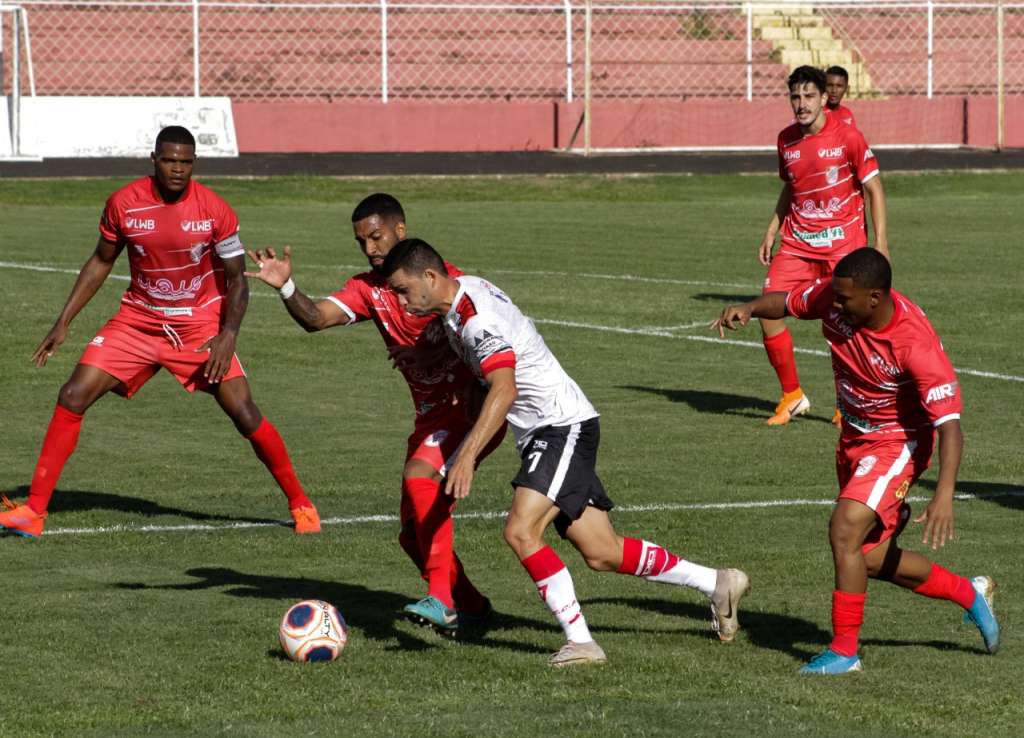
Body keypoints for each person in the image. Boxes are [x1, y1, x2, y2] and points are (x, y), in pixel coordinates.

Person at [383, 238, 750, 667]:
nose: (399, 300)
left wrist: (465, 456)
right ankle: (718, 582)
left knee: (521, 531)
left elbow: (504, 388)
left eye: (403, 289)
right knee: (602, 551)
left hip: (560, 428)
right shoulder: (461, 296)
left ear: (430, 276)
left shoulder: (476, 319)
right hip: (555, 428)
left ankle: (582, 643)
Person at [0, 126, 320, 538]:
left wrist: (228, 334)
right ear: (154, 159)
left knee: (244, 413)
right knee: (72, 394)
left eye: (186, 162)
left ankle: (300, 503)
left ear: (194, 164)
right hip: (138, 322)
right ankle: (34, 512)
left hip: (199, 326)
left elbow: (237, 280)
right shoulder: (123, 204)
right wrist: (64, 321)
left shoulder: (215, 210)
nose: (178, 170)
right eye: (170, 160)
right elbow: (101, 260)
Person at [712, 248, 998, 675]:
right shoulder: (837, 295)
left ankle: (845, 652)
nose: (836, 304)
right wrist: (751, 308)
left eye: (846, 299)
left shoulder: (913, 344)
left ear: (876, 298)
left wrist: (943, 495)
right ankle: (968, 593)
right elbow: (788, 301)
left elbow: (950, 427)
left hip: (897, 445)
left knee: (844, 528)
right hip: (853, 439)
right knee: (867, 558)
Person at [244, 194, 502, 635]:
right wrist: (287, 287)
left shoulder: (443, 284)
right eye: (361, 241)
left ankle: (442, 600)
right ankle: (476, 608)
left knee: (420, 477)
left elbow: (493, 340)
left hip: (468, 411)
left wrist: (482, 392)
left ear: (400, 231)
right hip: (429, 419)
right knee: (411, 536)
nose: (370, 249)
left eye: (377, 237)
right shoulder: (369, 290)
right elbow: (316, 318)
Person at [757, 65, 887, 426]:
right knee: (768, 311)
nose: (801, 104)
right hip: (798, 245)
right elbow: (792, 186)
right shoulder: (786, 140)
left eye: (808, 96)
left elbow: (874, 187)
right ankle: (792, 395)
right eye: (795, 97)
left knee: (845, 325)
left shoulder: (848, 136)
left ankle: (848, 403)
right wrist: (772, 227)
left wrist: (881, 245)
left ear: (823, 98)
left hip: (841, 247)